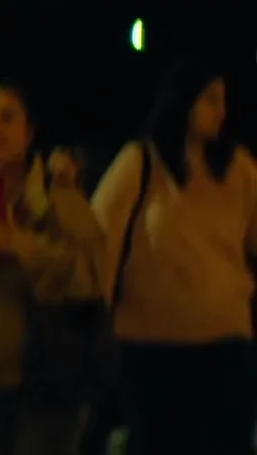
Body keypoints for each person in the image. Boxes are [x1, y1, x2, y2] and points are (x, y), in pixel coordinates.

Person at [92, 63, 257, 455]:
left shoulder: (238, 168)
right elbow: (98, 243)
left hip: (226, 344)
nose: (221, 111)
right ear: (183, 100)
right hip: (151, 348)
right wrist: (98, 319)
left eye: (223, 101)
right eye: (210, 100)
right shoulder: (140, 162)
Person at [0, 84, 105, 455]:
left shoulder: (57, 193)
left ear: (29, 132)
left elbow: (89, 274)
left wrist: (17, 243)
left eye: (7, 117)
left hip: (40, 389)